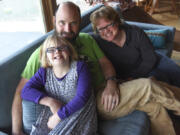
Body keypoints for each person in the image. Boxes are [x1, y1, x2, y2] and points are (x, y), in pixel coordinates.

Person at [11, 2, 149, 135]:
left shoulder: (86, 39)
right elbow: (21, 91)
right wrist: (16, 131)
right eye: (62, 22)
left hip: (107, 90)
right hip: (91, 103)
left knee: (154, 105)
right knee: (148, 86)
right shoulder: (44, 53)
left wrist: (111, 82)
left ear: (80, 22)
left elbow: (105, 63)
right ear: (54, 21)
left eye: (73, 23)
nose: (67, 29)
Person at [21, 34, 97, 134]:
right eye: (51, 50)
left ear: (69, 51)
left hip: (79, 114)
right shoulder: (44, 72)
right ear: (46, 57)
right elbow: (25, 91)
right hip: (56, 112)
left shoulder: (80, 67)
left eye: (61, 48)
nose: (57, 52)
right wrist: (50, 102)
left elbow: (82, 98)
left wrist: (58, 116)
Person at [90, 6, 180, 88]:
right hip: (131, 76)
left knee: (176, 73)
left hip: (151, 61)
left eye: (109, 25)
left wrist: (133, 77)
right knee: (162, 86)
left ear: (117, 22)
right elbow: (80, 37)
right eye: (101, 29)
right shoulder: (97, 40)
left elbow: (150, 58)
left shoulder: (135, 32)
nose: (106, 31)